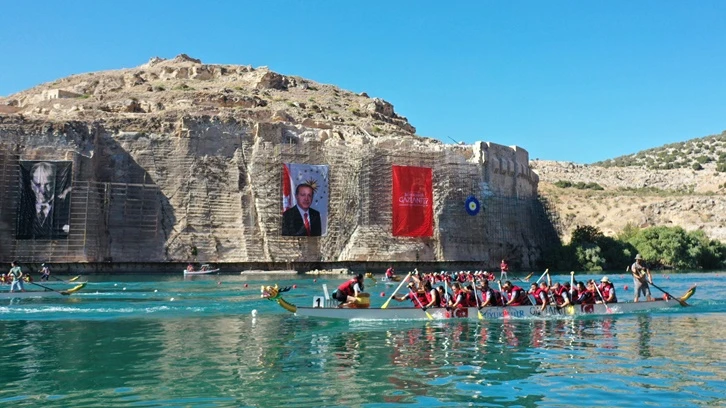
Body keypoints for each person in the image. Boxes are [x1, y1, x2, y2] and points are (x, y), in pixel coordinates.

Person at [17, 161, 71, 239]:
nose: (42, 190)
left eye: (47, 184)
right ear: (31, 185)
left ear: (55, 183)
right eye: (38, 185)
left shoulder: (65, 208)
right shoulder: (22, 209)